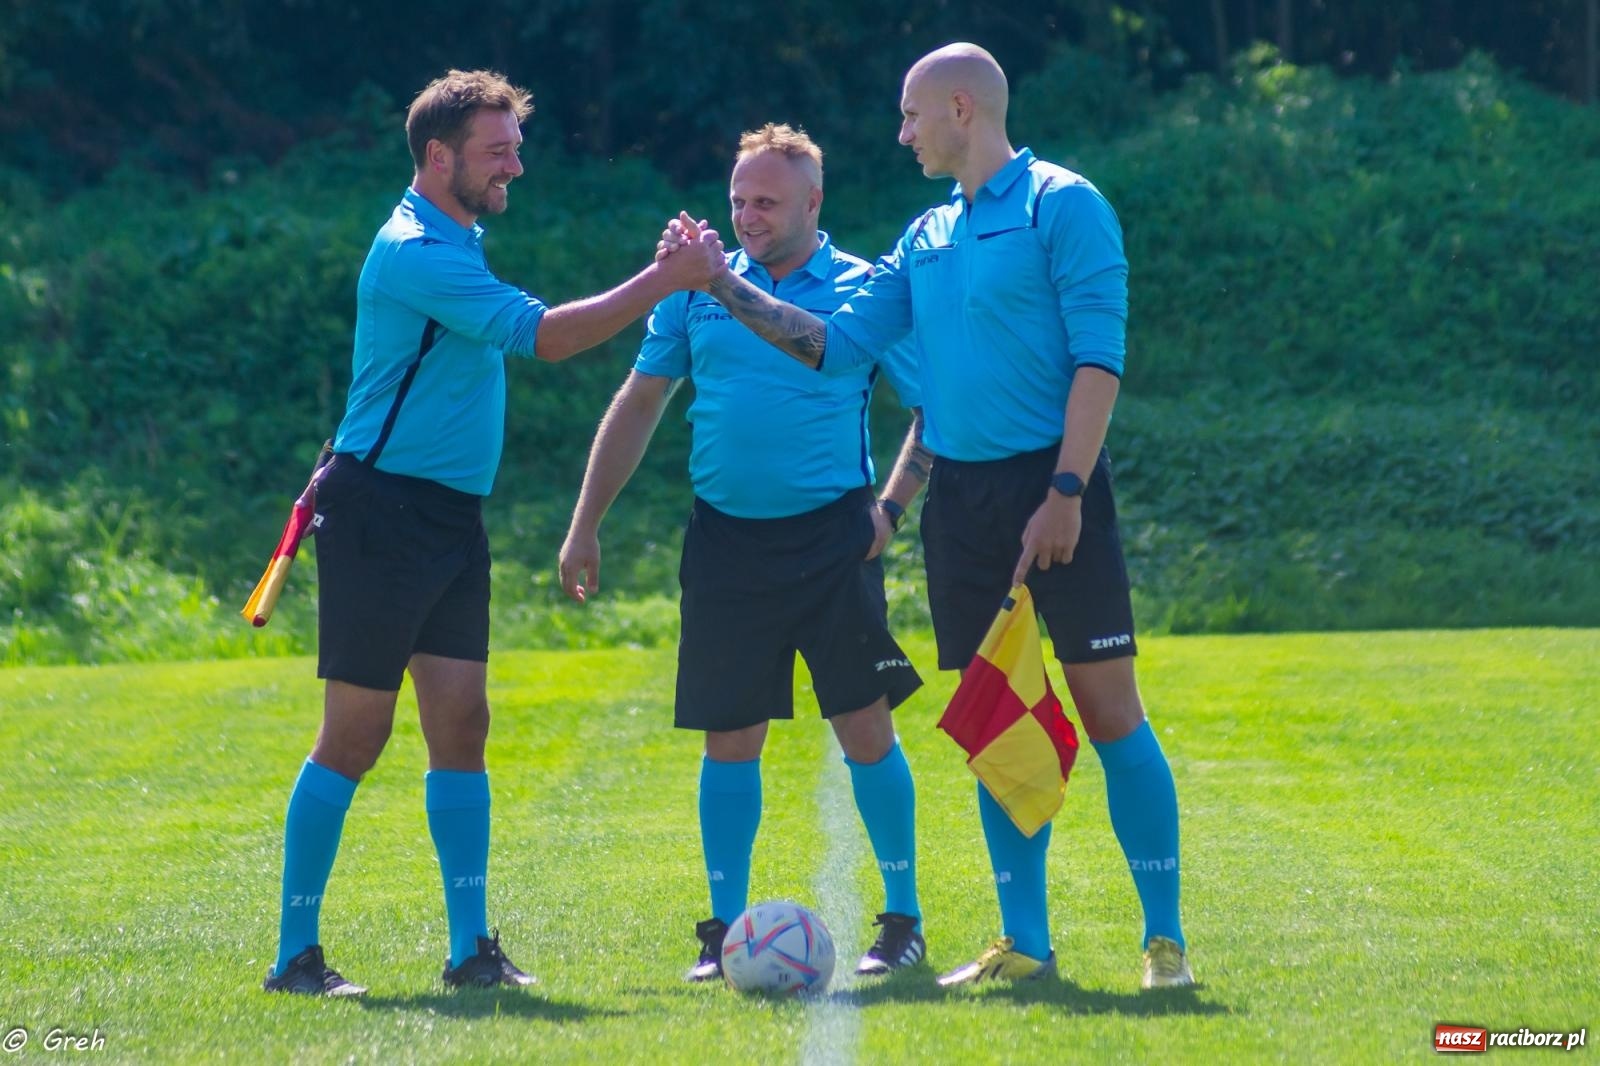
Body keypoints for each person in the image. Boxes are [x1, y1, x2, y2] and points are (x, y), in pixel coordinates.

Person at [660, 43, 1193, 990]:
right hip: (965, 509)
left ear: (959, 108)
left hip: (1055, 486)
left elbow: (1099, 360)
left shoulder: (1063, 204)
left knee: (1109, 712)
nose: (900, 134)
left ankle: (1165, 942)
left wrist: (1065, 492)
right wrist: (722, 283)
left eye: (909, 116)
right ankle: (1024, 943)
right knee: (996, 722)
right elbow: (832, 346)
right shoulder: (926, 235)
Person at [262, 68, 724, 997]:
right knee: (354, 736)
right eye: (496, 150)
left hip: (444, 519)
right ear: (439, 158)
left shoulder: (457, 241)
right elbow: (544, 337)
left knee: (463, 725)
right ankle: (294, 957)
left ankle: (471, 950)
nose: (515, 163)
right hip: (381, 512)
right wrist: (667, 278)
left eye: (515, 144)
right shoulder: (413, 250)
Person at [558, 124, 933, 982]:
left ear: (813, 202)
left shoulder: (865, 289)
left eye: (765, 201)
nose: (747, 215)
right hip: (724, 542)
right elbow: (641, 401)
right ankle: (721, 932)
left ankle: (902, 920)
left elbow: (931, 408)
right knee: (730, 737)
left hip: (835, 540)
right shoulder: (692, 289)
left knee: (865, 728)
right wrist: (586, 523)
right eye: (737, 201)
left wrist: (892, 510)